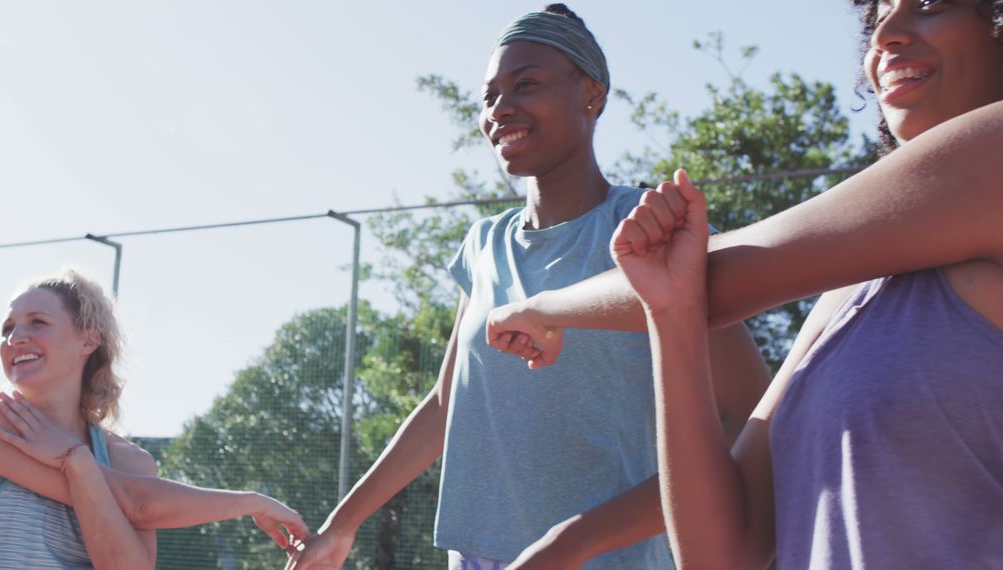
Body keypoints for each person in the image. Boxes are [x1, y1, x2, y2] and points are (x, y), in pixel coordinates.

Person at [489, 0, 1003, 567]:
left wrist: (541, 309)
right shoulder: (850, 294)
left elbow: (728, 275)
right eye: (878, 13)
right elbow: (722, 555)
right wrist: (670, 313)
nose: (887, 33)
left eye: (929, 4)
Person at [288, 5, 769, 569]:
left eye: (526, 84)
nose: (500, 109)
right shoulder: (481, 246)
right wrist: (340, 526)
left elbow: (747, 421)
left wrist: (579, 539)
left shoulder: (654, 232)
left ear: (591, 94)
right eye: (489, 95)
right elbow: (448, 405)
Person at [0, 268, 310, 569]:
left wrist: (77, 462)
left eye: (38, 322)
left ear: (88, 340)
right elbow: (134, 501)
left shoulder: (130, 460)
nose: (15, 338)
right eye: (7, 328)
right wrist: (251, 502)